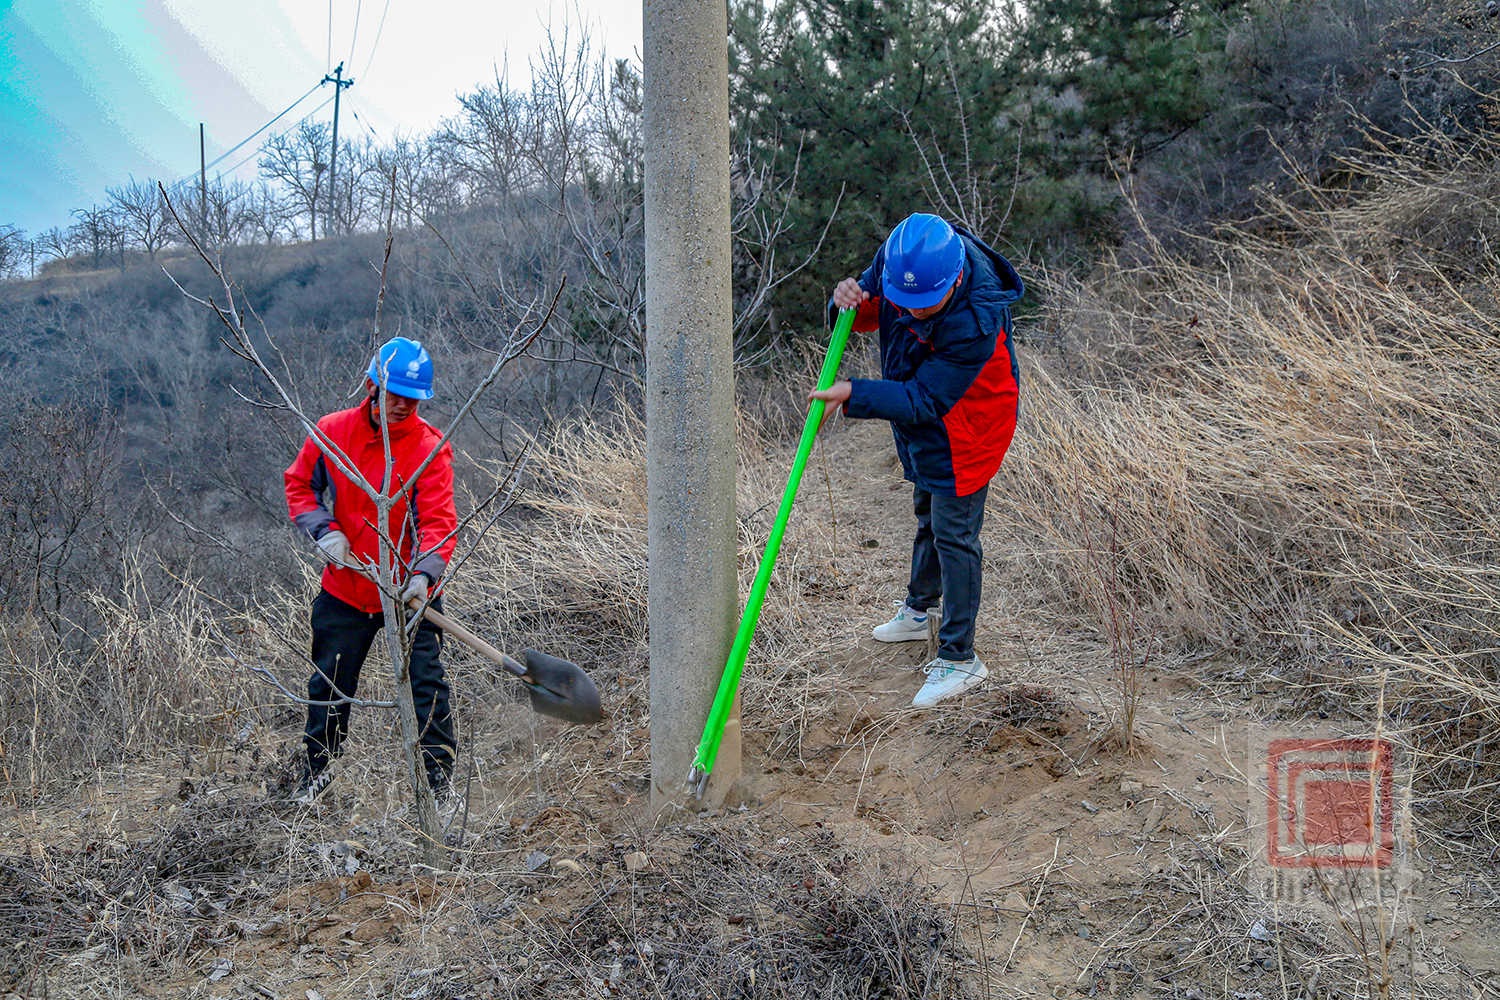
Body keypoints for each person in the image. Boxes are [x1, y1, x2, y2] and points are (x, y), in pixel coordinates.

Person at [811, 213, 1023, 709]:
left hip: (970, 426)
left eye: (927, 307)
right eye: (909, 304)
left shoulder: (976, 319)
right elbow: (868, 307)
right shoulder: (901, 257)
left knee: (955, 533)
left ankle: (959, 657)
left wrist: (854, 394)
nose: (915, 315)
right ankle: (918, 610)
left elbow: (926, 399)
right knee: (927, 512)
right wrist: (844, 300)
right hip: (929, 427)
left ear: (953, 282)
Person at [282, 336, 460, 809]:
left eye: (413, 398)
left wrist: (422, 576)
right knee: (330, 681)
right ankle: (319, 773)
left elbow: (439, 523)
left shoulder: (429, 448)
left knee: (426, 681)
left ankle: (438, 783)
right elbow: (299, 485)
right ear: (372, 385)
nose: (403, 405)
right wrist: (326, 532)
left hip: (409, 590)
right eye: (394, 393)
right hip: (346, 586)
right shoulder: (331, 432)